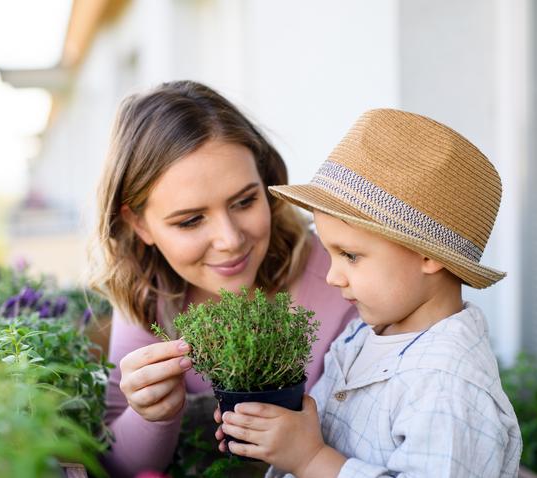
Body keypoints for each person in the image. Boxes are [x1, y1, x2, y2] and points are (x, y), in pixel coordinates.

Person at [216, 108, 523, 477]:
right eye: (329, 252)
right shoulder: (364, 334)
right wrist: (276, 436)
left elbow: (316, 456)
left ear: (428, 255)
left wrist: (310, 458)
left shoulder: (448, 387)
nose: (332, 277)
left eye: (350, 255)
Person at [92, 80, 356, 477]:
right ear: (139, 224)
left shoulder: (338, 273)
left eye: (245, 201)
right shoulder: (149, 297)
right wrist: (153, 415)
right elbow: (121, 465)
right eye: (191, 220)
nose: (231, 240)